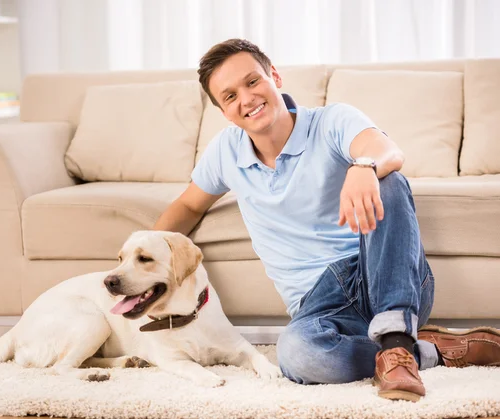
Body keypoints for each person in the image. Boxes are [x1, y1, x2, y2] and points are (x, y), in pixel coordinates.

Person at [152, 38, 500, 402]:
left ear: (274, 76)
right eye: (230, 96)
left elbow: (387, 152)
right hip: (316, 305)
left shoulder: (331, 120)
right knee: (297, 355)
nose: (247, 99)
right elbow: (189, 206)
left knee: (390, 181)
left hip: (380, 275)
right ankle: (428, 352)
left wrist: (364, 166)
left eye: (253, 82)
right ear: (224, 111)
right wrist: (142, 258)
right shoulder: (225, 152)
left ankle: (396, 338)